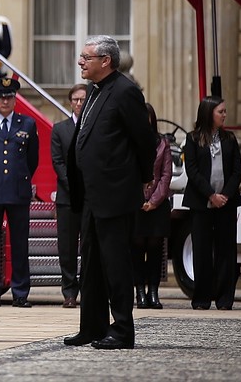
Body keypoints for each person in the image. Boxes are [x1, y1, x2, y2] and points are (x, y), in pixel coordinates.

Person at [63, 35, 154, 350]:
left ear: (106, 61)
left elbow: (145, 140)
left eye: (86, 57)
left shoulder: (126, 91)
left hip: (115, 192)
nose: (80, 62)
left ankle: (122, 330)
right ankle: (92, 327)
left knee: (115, 264)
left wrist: (145, 179)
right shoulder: (93, 89)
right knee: (90, 265)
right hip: (90, 192)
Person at [0, 78, 39, 308]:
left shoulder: (27, 124)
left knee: (20, 243)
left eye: (9, 96)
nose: (5, 100)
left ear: (15, 99)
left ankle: (20, 292)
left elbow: (33, 161)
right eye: (1, 96)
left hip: (18, 191)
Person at [183, 96, 241, 311]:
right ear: (209, 113)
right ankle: (201, 299)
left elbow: (237, 170)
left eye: (225, 111)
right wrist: (211, 195)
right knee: (201, 251)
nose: (225, 115)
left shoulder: (229, 138)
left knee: (227, 251)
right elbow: (192, 170)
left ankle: (225, 299)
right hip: (202, 202)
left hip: (226, 202)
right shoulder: (193, 138)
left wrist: (224, 195)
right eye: (221, 112)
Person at [131, 102, 172, 310]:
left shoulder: (163, 143)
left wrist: (154, 201)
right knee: (137, 249)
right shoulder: (129, 142)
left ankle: (153, 292)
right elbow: (128, 173)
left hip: (158, 204)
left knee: (155, 250)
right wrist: (139, 200)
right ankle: (139, 292)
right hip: (135, 203)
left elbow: (165, 176)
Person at [50, 83, 87, 308]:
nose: (79, 104)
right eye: (75, 100)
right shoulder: (60, 129)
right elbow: (57, 161)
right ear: (70, 102)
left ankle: (89, 289)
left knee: (90, 246)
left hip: (91, 196)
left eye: (83, 100)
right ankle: (69, 292)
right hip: (67, 197)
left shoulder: (94, 127)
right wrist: (73, 184)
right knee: (67, 247)